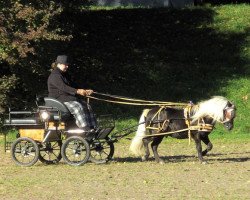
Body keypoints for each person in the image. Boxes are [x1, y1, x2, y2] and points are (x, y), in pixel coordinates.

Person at [47, 55, 97, 131]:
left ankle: (93, 127)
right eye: (65, 64)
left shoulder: (65, 74)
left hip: (67, 99)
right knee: (77, 107)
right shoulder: (54, 75)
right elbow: (64, 87)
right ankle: (84, 129)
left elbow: (73, 85)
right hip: (58, 101)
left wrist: (85, 90)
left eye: (67, 65)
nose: (67, 66)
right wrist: (77, 91)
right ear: (59, 64)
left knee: (87, 106)